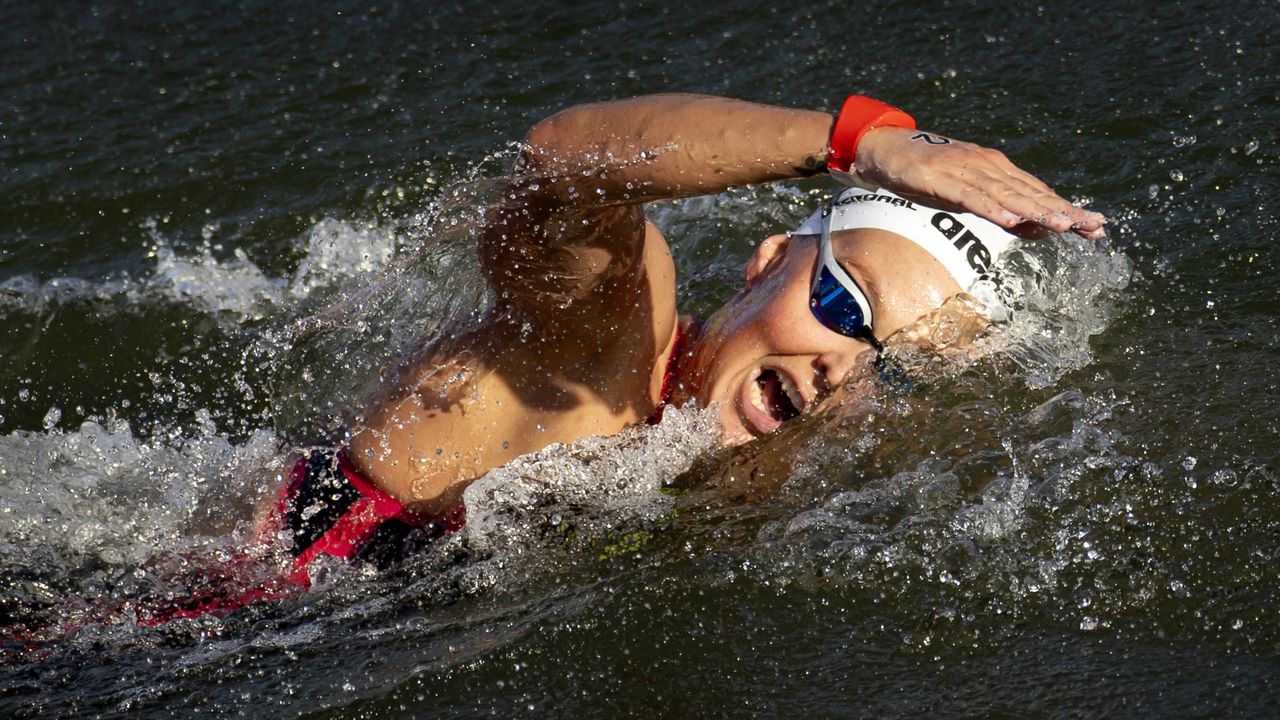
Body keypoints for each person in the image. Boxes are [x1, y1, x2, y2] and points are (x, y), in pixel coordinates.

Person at [272, 94, 1106, 584]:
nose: (842, 369)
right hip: (197, 626)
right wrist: (857, 139)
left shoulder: (758, 491)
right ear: (768, 262)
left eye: (904, 368)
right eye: (847, 307)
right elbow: (558, 167)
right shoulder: (608, 341)